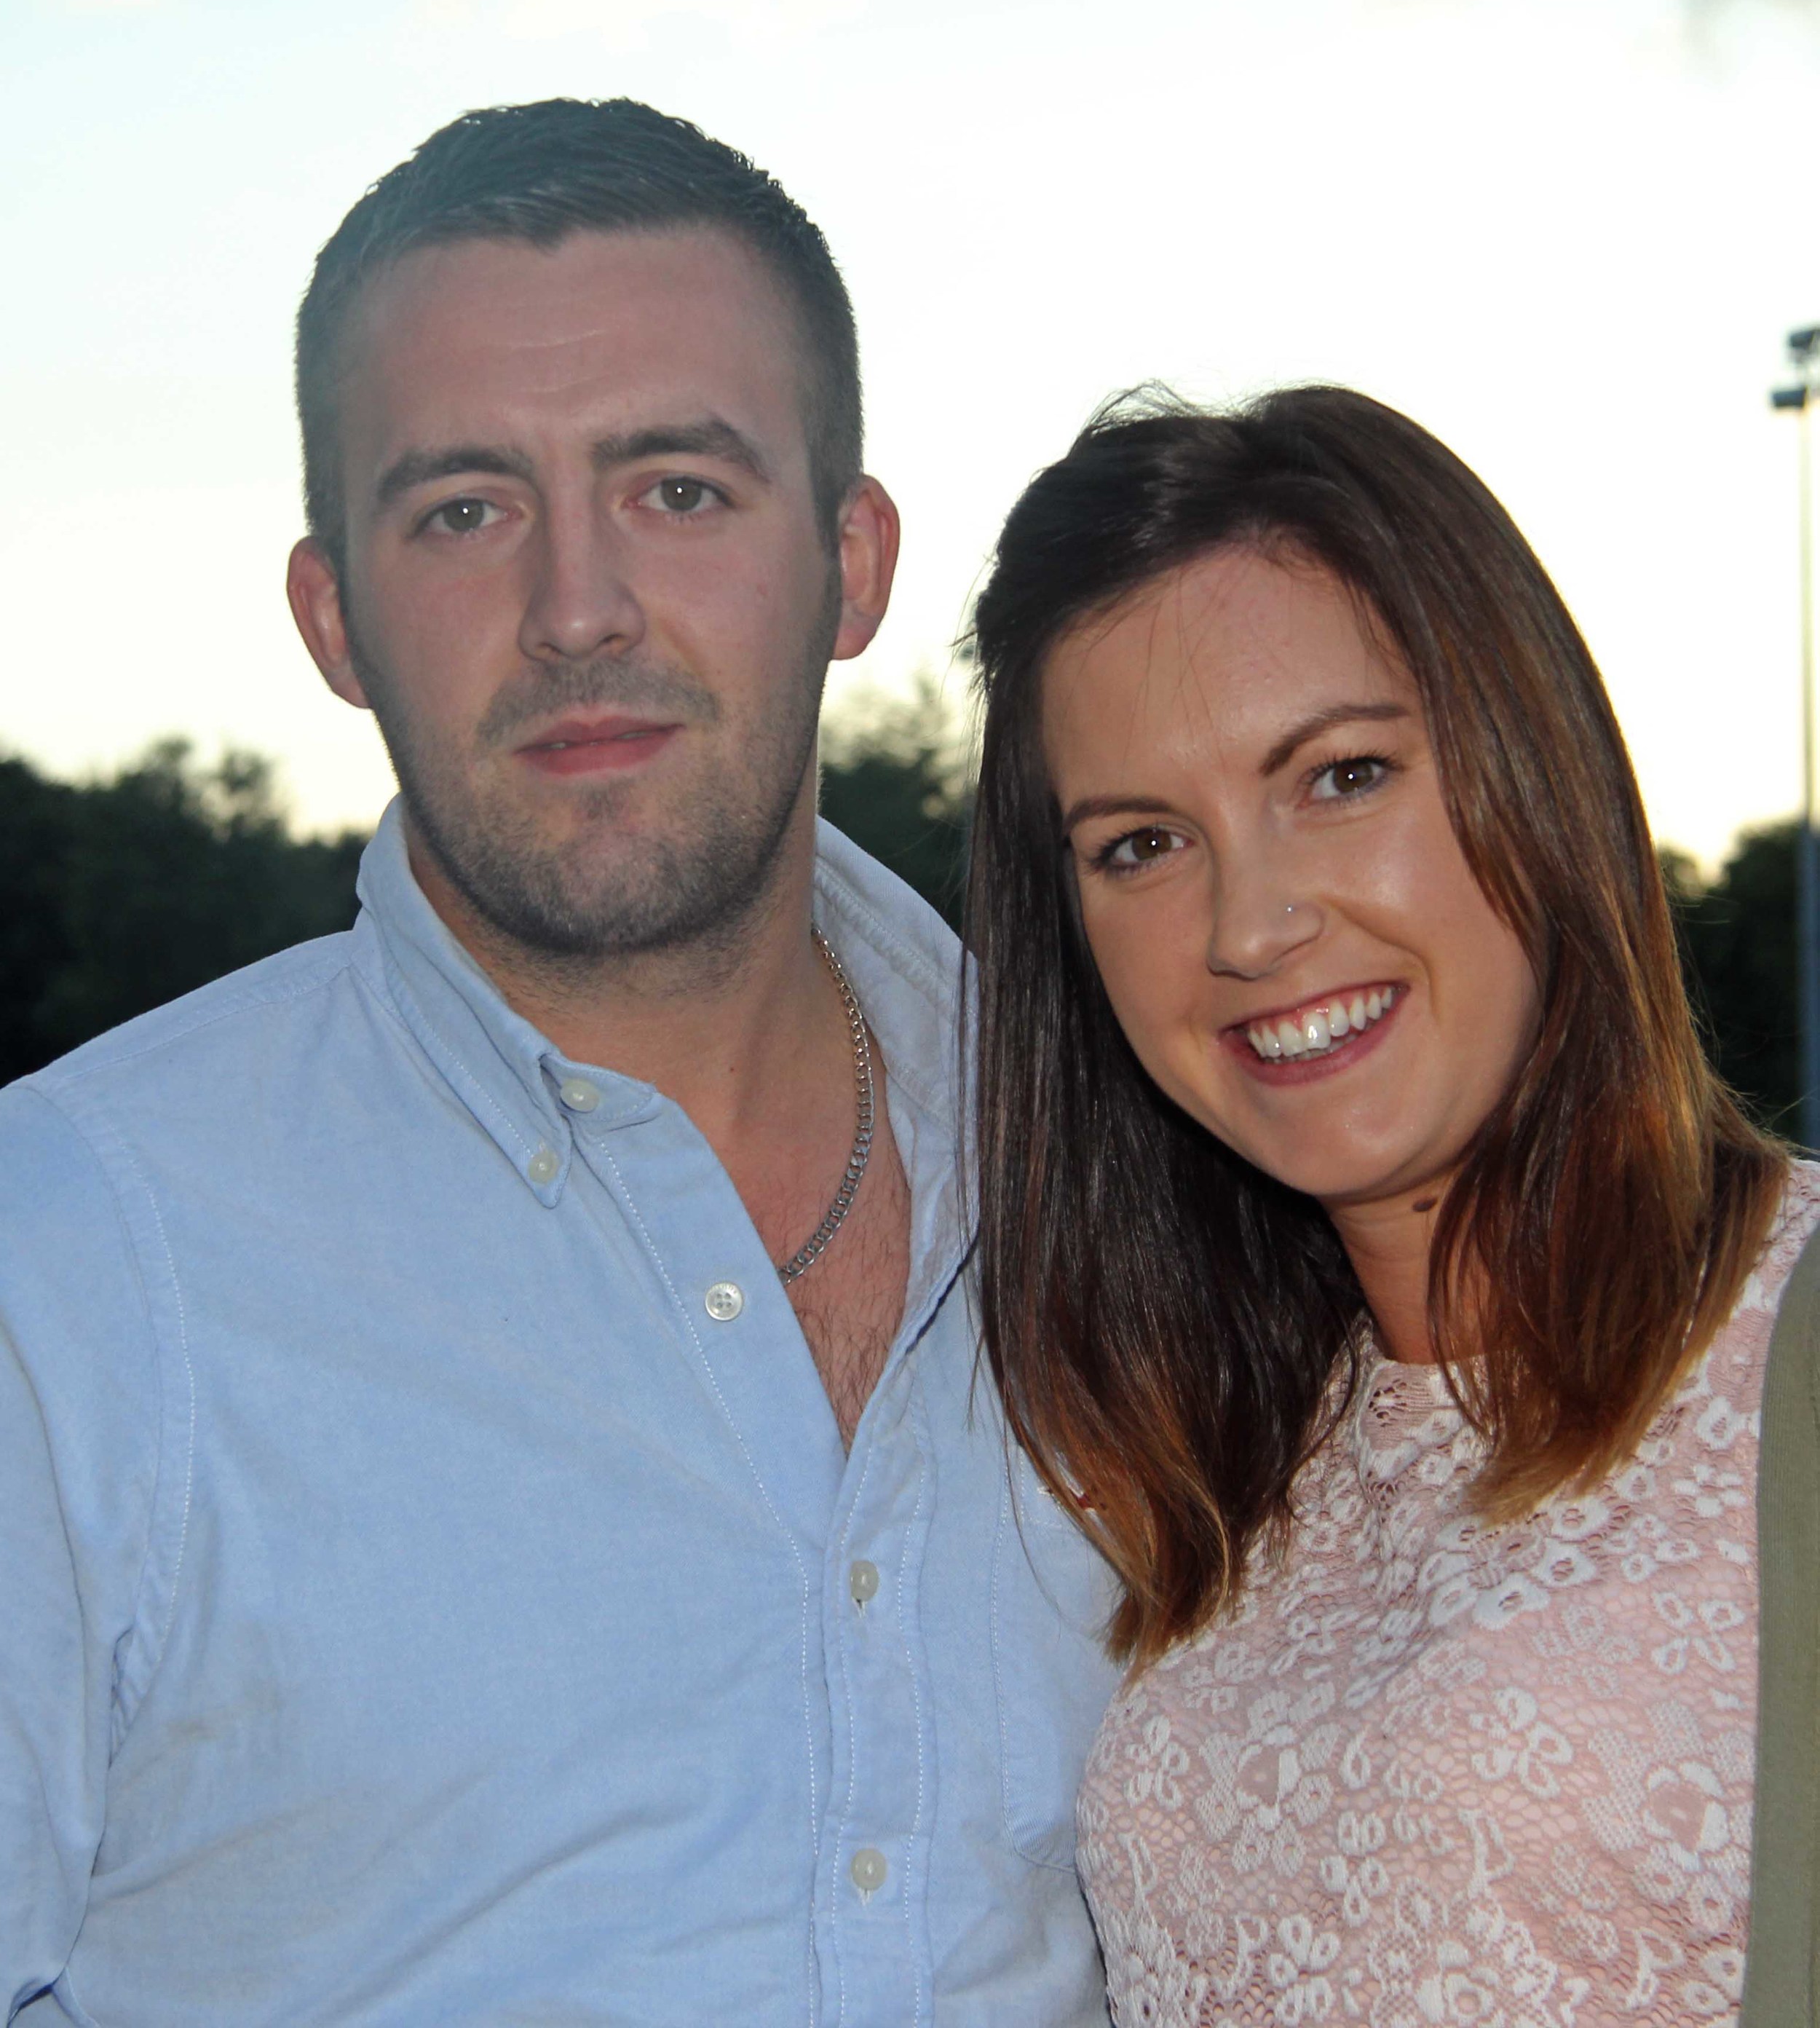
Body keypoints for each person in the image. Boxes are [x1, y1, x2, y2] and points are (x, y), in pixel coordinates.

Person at [0, 99, 1119, 2024]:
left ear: (850, 564)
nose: (576, 606)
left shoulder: (1126, 1163)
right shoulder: (77, 1258)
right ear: (333, 616)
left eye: (677, 487)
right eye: (464, 511)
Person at [963, 384, 1813, 2027]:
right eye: (1139, 842)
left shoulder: (1784, 1358)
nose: (1251, 924)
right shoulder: (1207, 1458)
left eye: (1340, 775)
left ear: (1530, 768)